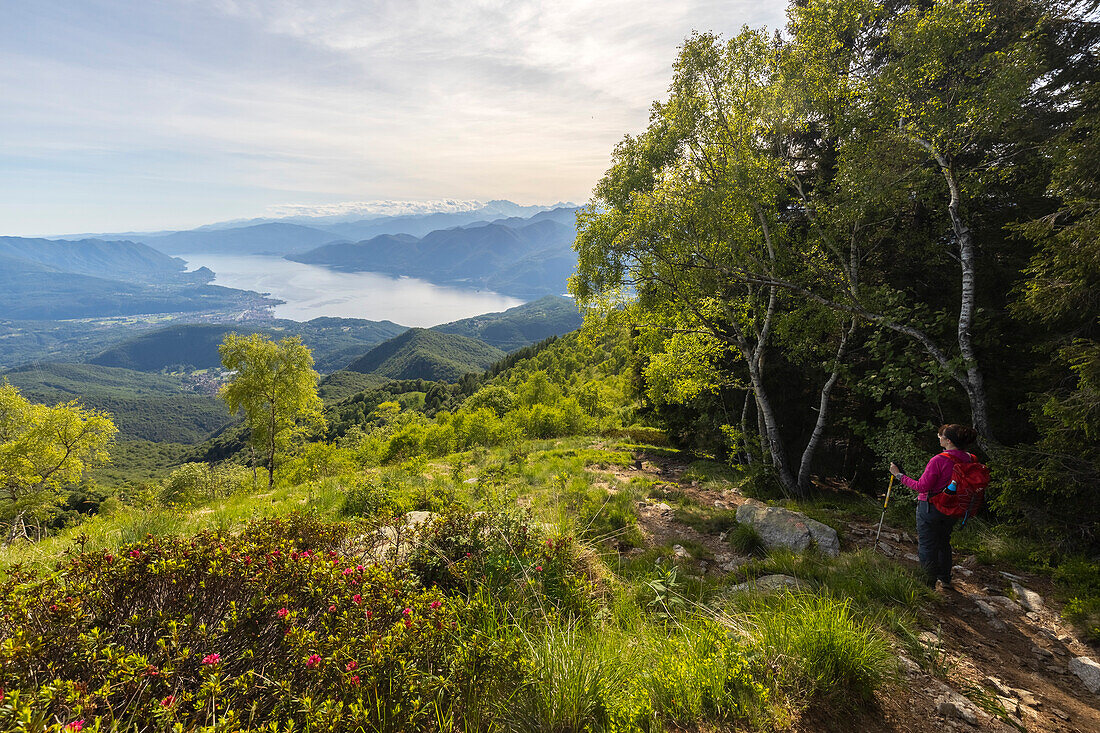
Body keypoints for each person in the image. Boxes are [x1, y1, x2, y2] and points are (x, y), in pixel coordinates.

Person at [889, 424, 980, 589]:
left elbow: (921, 486)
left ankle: (927, 584)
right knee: (944, 541)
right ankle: (945, 579)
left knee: (927, 544)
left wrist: (898, 475)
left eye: (941, 435)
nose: (939, 437)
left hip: (930, 507)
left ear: (949, 440)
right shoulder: (970, 458)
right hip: (954, 509)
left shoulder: (939, 460)